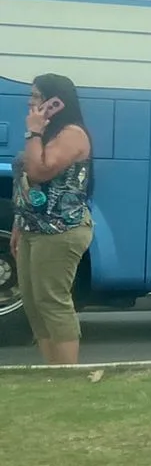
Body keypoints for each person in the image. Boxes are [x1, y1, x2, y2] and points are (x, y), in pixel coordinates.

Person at [9, 74, 94, 366]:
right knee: (33, 304)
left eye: (36, 96)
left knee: (52, 300)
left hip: (61, 230)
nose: (30, 102)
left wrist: (33, 133)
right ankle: (51, 373)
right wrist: (19, 225)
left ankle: (67, 374)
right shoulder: (48, 133)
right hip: (33, 227)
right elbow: (27, 186)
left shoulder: (72, 134)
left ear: (55, 102)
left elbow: (39, 172)